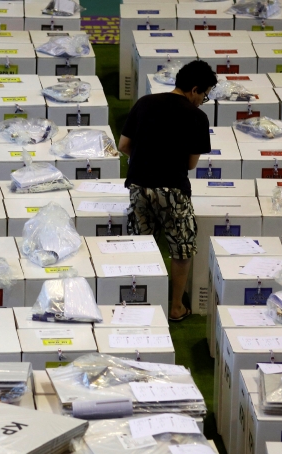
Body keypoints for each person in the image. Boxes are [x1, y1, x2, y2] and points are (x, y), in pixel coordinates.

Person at [118, 60, 217, 322]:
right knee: (181, 249)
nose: (202, 100)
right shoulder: (197, 117)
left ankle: (139, 302)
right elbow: (191, 164)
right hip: (173, 189)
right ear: (194, 89)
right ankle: (175, 307)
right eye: (204, 95)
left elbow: (124, 145)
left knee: (140, 245)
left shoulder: (144, 103)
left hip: (138, 185)